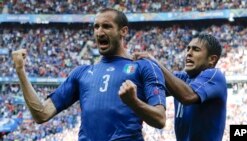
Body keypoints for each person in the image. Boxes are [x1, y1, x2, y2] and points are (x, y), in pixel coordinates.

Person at [12, 8, 167, 141]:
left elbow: (160, 119)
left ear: (123, 31)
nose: (99, 32)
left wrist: (133, 102)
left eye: (106, 26)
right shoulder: (81, 73)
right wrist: (20, 71)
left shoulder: (144, 67)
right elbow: (42, 114)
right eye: (96, 27)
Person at [134, 33, 227, 141]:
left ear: (212, 59)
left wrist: (155, 63)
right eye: (188, 49)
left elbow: (188, 96)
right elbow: (152, 85)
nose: (188, 53)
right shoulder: (182, 78)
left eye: (196, 49)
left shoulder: (215, 76)